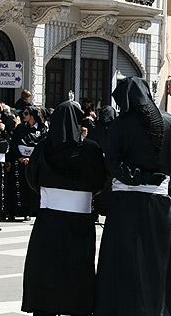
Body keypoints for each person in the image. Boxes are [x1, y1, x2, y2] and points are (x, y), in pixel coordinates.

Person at [95, 77, 171, 316]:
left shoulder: (121, 123)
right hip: (158, 200)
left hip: (126, 201)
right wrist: (159, 172)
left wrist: (136, 175)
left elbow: (112, 162)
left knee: (124, 258)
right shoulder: (167, 120)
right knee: (157, 256)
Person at [22, 101, 107, 316]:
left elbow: (32, 177)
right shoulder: (89, 149)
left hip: (49, 216)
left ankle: (45, 308)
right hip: (79, 220)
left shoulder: (43, 147)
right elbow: (99, 180)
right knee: (77, 267)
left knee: (46, 266)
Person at [5, 106, 48, 221]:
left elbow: (43, 146)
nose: (23, 116)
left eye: (26, 113)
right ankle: (17, 210)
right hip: (20, 162)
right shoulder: (20, 128)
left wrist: (31, 159)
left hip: (34, 163)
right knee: (19, 187)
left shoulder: (42, 129)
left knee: (31, 187)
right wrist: (20, 157)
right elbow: (14, 143)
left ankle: (30, 210)